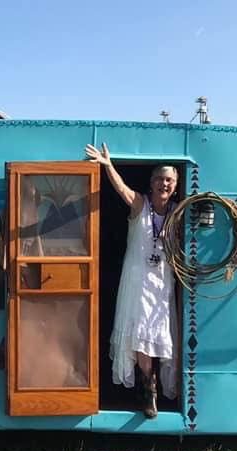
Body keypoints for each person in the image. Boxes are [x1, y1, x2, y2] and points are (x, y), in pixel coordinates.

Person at [86, 143, 179, 418]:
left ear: (175, 185)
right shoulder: (141, 205)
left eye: (170, 180)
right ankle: (148, 388)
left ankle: (154, 385)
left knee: (160, 331)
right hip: (138, 280)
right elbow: (122, 190)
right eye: (160, 179)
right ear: (151, 184)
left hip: (163, 280)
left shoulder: (178, 211)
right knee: (141, 334)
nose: (165, 184)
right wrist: (107, 165)